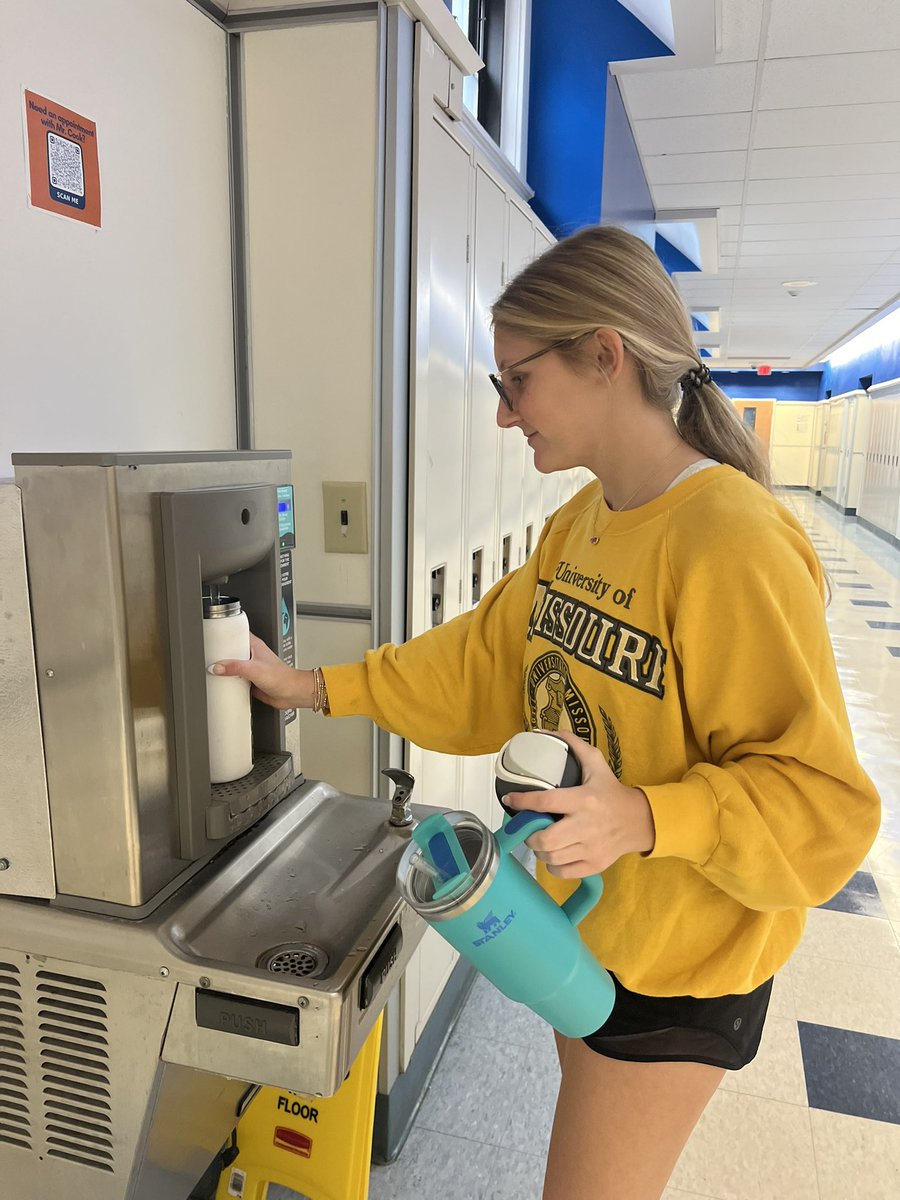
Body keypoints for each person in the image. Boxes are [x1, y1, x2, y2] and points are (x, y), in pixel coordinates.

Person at [211, 226, 881, 1200]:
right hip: (591, 941)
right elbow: (480, 663)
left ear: (605, 355)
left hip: (682, 974)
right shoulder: (582, 522)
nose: (502, 414)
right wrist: (313, 686)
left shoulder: (731, 540)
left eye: (516, 382)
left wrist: (644, 815)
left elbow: (823, 808)